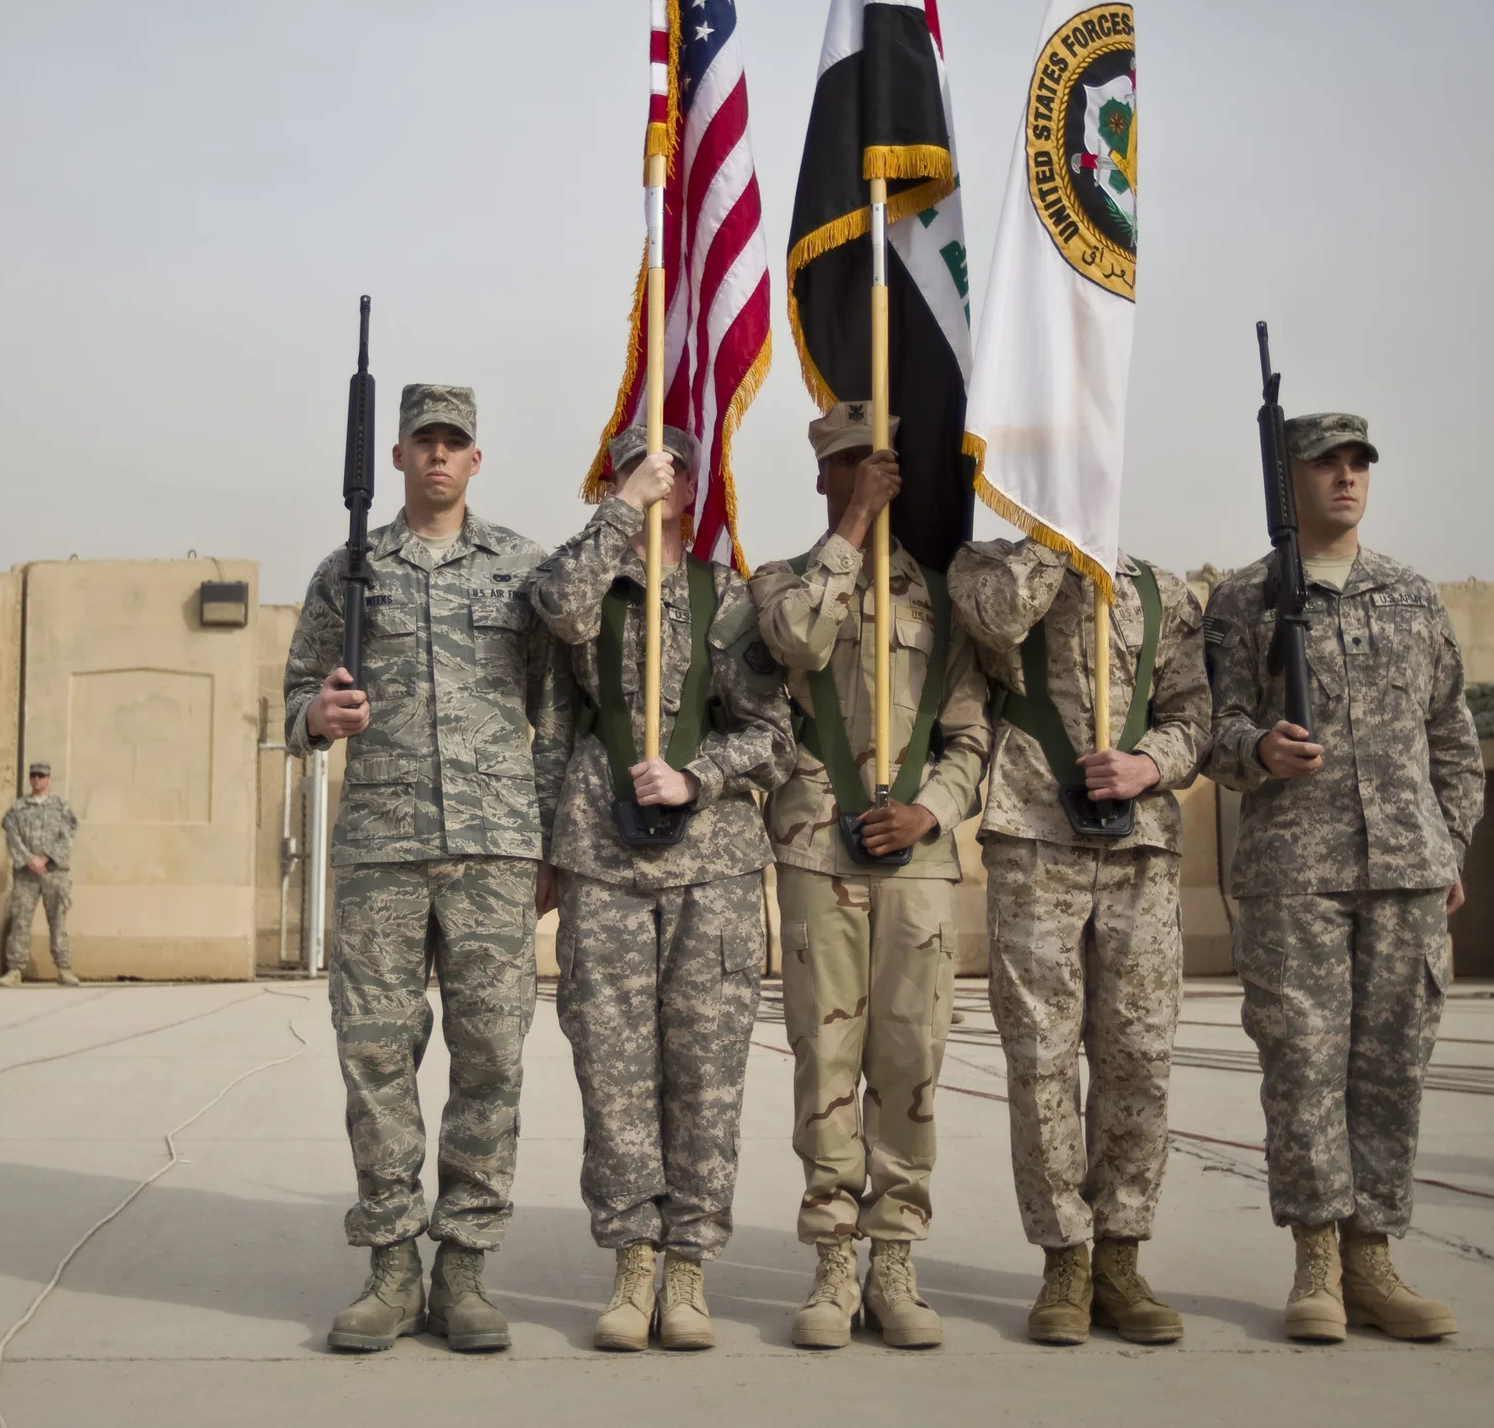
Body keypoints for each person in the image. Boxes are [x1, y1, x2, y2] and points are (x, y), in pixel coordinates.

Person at [282, 383, 572, 1355]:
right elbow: (291, 698)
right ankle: (392, 1268)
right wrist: (318, 716)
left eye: (454, 442)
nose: (438, 456)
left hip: (494, 848)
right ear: (397, 456)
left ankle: (464, 1272)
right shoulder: (350, 571)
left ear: (475, 459)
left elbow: (555, 711)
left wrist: (544, 841)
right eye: (423, 442)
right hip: (381, 847)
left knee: (491, 1057)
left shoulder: (523, 567)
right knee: (374, 1057)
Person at [1203, 413, 1482, 1344]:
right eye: (1327, 463)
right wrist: (1257, 746)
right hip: (1296, 872)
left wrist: (1452, 845)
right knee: (1304, 1068)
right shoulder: (1246, 599)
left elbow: (1453, 732)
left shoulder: (1410, 594)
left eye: (1360, 462)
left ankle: (1373, 1258)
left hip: (1407, 870)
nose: (1348, 477)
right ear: (1290, 481)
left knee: (1393, 1067)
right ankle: (1316, 1260)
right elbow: (1211, 728)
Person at [529, 424, 793, 1354]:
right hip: (602, 860)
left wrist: (699, 775)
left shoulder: (727, 599)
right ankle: (630, 1257)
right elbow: (553, 619)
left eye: (672, 470)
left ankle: (688, 1267)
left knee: (706, 1078)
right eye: (641, 469)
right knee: (611, 1072)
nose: (658, 481)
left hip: (711, 868)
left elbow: (774, 735)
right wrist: (619, 513)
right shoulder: (589, 589)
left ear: (694, 486)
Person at [748, 403, 992, 1350]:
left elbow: (972, 735)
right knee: (825, 1058)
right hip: (820, 852)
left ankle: (895, 1254)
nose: (867, 474)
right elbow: (799, 645)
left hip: (920, 863)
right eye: (848, 464)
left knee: (910, 1055)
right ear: (822, 477)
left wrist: (930, 806)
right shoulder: (779, 583)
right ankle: (830, 1257)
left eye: (878, 461)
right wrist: (852, 528)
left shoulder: (940, 600)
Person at [948, 525, 1208, 1347]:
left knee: (1139, 1054)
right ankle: (1065, 1254)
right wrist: (1056, 545)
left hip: (1140, 845)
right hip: (1033, 835)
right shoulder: (988, 566)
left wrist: (1150, 763)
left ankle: (1121, 1256)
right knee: (1041, 1056)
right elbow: (995, 620)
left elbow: (1195, 713)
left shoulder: (1164, 590)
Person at [0, 762, 81, 987]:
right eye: (33, 775)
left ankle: (64, 968)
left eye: (41, 776)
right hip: (26, 874)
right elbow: (12, 836)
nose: (37, 779)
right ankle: (14, 970)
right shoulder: (17, 809)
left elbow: (68, 836)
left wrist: (46, 858)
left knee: (58, 921)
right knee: (20, 921)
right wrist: (29, 859)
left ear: (49, 778)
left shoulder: (61, 808)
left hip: (54, 873)